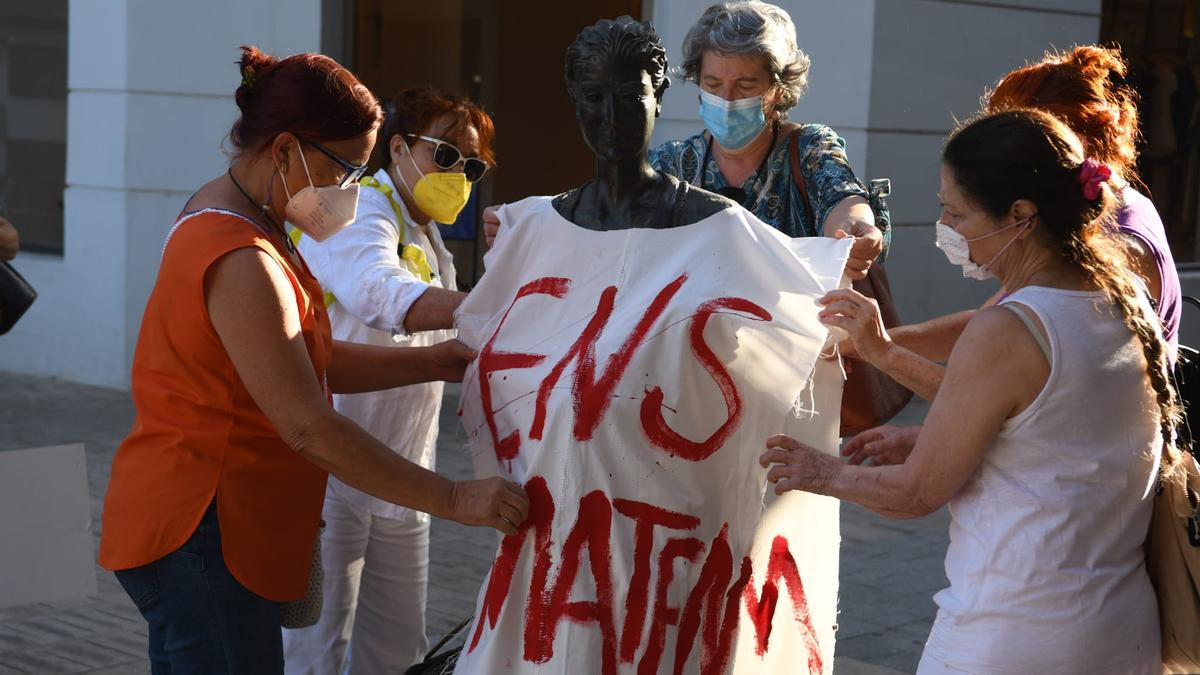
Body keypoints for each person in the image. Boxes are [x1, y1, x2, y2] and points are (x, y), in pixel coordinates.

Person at [97, 46, 528, 674]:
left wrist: (433, 363)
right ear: (285, 151)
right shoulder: (242, 257)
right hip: (200, 532)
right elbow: (308, 423)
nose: (350, 190)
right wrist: (457, 497)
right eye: (346, 169)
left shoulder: (248, 220)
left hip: (216, 529)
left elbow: (309, 360)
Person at [762, 108, 1178, 674]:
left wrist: (821, 472)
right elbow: (1053, 432)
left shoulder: (1009, 328)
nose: (945, 228)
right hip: (1120, 630)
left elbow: (915, 494)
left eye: (955, 212)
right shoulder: (1121, 292)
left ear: (1020, 217)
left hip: (1013, 636)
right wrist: (894, 370)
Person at [841, 45, 1182, 465]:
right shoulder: (1074, 224)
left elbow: (996, 360)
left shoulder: (1117, 240)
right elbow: (990, 325)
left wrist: (882, 351)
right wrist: (865, 346)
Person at [283, 86, 495, 674]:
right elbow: (379, 292)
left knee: (398, 653)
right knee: (314, 651)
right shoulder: (357, 210)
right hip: (333, 472)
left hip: (405, 476)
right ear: (398, 148)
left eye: (471, 166)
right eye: (446, 155)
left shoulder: (430, 237)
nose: (459, 175)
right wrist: (497, 302)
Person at [483, 0, 884, 279]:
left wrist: (855, 233)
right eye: (713, 83)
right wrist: (531, 229)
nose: (726, 99)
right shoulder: (671, 164)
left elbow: (844, 202)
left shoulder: (810, 150)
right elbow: (606, 231)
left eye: (745, 85)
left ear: (777, 90)